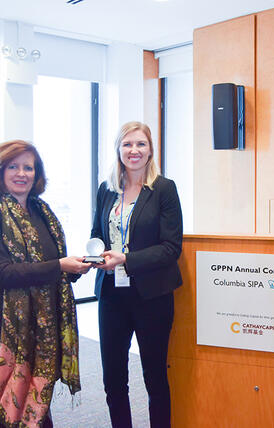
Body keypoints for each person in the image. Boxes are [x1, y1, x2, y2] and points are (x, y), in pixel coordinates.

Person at [0, 140, 92, 427]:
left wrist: (74, 269)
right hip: (4, 329)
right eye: (13, 166)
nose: (21, 173)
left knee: (38, 403)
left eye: (28, 167)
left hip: (42, 329)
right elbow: (2, 273)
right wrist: (60, 266)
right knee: (4, 409)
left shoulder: (42, 213)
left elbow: (50, 265)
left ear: (37, 175)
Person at [91, 121, 183, 428]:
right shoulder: (106, 190)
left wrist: (126, 259)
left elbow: (171, 248)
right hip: (111, 296)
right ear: (118, 149)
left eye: (140, 144)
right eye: (127, 144)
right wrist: (95, 256)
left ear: (150, 150)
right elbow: (97, 234)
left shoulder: (163, 189)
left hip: (152, 295)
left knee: (154, 377)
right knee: (113, 379)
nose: (134, 150)